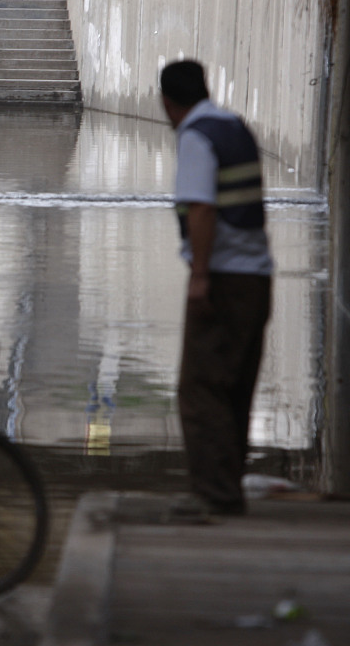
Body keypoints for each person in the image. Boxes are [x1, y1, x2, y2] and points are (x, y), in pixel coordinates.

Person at [161, 60, 273, 516]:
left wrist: (201, 276)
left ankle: (213, 494)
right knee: (235, 388)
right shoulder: (235, 126)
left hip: (223, 278)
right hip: (257, 276)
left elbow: (201, 209)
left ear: (167, 101)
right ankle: (229, 491)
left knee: (201, 387)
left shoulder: (195, 136)